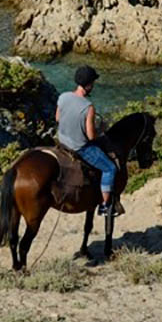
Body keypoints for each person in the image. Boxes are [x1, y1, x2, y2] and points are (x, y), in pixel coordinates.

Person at [56, 65, 118, 216]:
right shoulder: (88, 107)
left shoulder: (63, 96)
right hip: (79, 148)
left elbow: (57, 118)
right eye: (93, 83)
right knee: (110, 168)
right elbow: (91, 136)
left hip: (62, 140)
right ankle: (105, 206)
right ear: (89, 84)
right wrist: (101, 129)